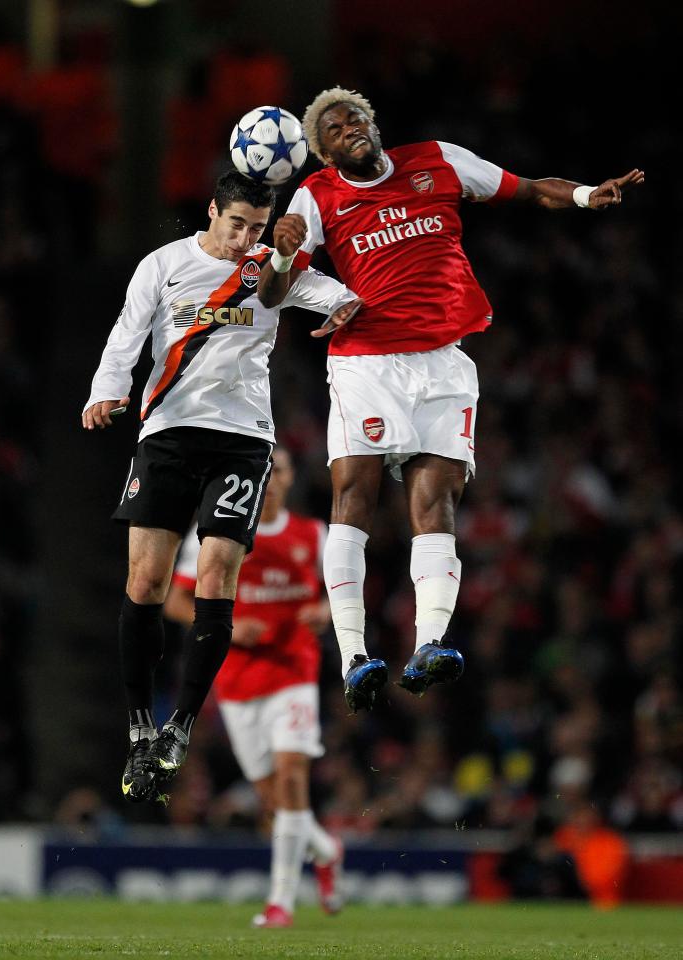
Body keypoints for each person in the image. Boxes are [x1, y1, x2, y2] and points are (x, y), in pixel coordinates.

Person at [258, 86, 644, 712]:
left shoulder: (436, 159)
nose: (348, 127)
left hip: (446, 363)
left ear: (372, 123)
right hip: (368, 363)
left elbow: (524, 187)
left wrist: (581, 194)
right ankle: (354, 654)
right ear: (322, 154)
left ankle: (429, 645)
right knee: (355, 496)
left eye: (354, 116)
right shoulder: (317, 198)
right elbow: (275, 294)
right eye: (331, 128)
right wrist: (280, 250)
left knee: (436, 501)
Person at [81, 170, 361, 804]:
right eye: (236, 223)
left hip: (242, 439)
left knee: (216, 579)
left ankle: (180, 726)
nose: (244, 238)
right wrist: (107, 390)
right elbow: (128, 331)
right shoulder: (164, 265)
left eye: (256, 228)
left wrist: (342, 304)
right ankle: (139, 725)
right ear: (211, 210)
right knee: (145, 583)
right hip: (169, 434)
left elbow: (327, 294)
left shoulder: (271, 268)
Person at [165, 446, 343, 928]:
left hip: (293, 671)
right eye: (262, 469)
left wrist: (326, 613)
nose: (270, 476)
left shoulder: (314, 534)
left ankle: (280, 903)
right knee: (275, 802)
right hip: (239, 679)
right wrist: (228, 625)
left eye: (278, 468)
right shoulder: (217, 530)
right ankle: (326, 849)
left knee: (290, 780)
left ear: (287, 480)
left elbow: (342, 592)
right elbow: (175, 600)